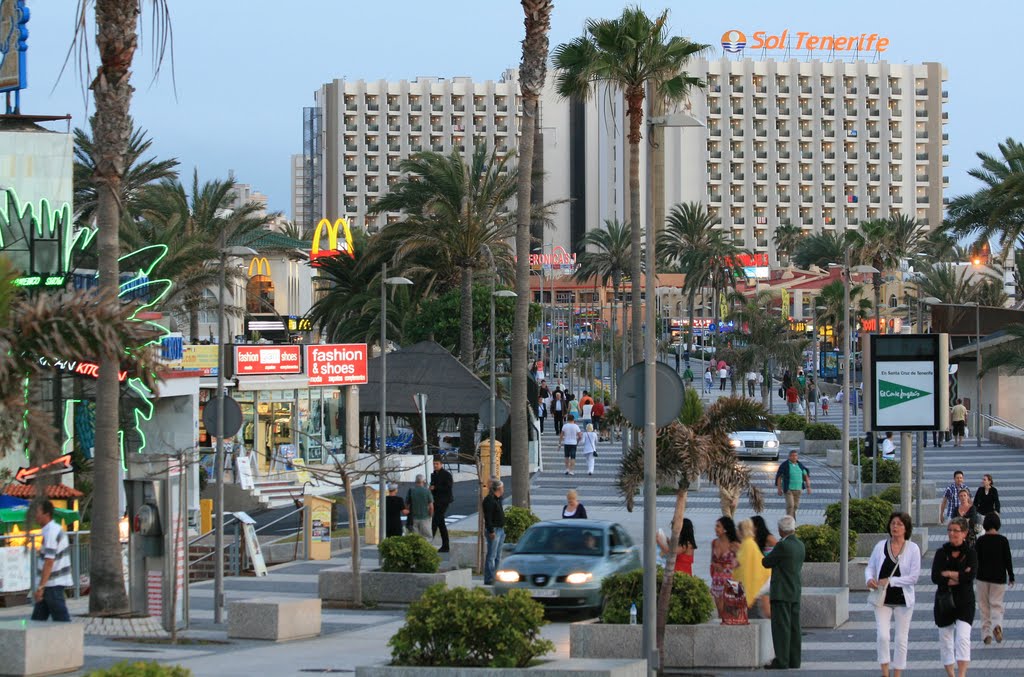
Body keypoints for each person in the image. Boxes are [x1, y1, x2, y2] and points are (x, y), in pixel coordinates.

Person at [866, 512, 922, 677]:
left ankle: (897, 673)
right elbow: (870, 567)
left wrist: (891, 581)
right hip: (882, 598)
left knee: (901, 639)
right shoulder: (880, 546)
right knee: (883, 635)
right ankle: (885, 672)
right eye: (893, 523)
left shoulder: (913, 549)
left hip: (903, 600)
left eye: (899, 524)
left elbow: (913, 577)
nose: (895, 527)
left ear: (906, 528)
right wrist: (869, 579)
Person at [932, 516, 977, 677]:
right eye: (949, 530)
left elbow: (970, 577)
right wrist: (958, 575)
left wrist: (949, 574)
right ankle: (951, 674)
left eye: (956, 531)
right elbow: (935, 577)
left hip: (965, 601)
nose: (952, 534)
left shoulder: (971, 553)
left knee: (963, 638)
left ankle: (962, 674)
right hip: (944, 601)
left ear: (964, 533)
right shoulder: (941, 553)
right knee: (945, 640)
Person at [762, 515, 805, 670]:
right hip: (795, 590)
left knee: (781, 627)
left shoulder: (782, 545)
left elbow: (766, 562)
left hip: (781, 592)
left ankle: (781, 660)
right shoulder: (800, 545)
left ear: (781, 530)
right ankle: (795, 660)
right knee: (794, 627)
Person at [975, 512, 1014, 645]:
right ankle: (997, 625)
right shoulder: (1003, 540)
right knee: (996, 604)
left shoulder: (980, 541)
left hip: (982, 577)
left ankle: (986, 634)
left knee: (984, 606)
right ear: (997, 525)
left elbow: (975, 560)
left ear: (985, 525)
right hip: (999, 578)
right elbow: (1008, 560)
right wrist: (1011, 576)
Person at [31, 500, 72, 622]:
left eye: (38, 512)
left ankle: (70, 639)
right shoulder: (51, 530)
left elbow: (49, 561)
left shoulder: (51, 532)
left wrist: (41, 587)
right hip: (50, 584)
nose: (35, 515)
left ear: (46, 514)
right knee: (38, 620)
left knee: (61, 620)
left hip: (52, 584)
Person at [735, 519, 772, 619]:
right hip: (760, 581)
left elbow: (743, 567)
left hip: (759, 583)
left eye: (738, 530)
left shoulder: (747, 544)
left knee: (759, 614)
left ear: (741, 531)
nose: (736, 532)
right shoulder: (749, 543)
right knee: (758, 613)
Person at [710, 516, 742, 617]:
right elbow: (712, 560)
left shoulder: (735, 545)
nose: (715, 528)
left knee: (733, 613)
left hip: (732, 581)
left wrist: (732, 564)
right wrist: (716, 565)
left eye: (718, 526)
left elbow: (742, 564)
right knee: (720, 613)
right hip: (717, 581)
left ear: (725, 529)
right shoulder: (714, 543)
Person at [482, 480, 506, 585]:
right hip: (494, 530)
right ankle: (489, 578)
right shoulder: (489, 500)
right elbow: (488, 518)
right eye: (502, 488)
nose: (503, 490)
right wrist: (491, 531)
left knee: (498, 555)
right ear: (499, 489)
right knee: (491, 555)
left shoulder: (498, 499)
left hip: (500, 529)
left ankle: (496, 576)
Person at [775, 450, 811, 518]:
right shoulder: (785, 465)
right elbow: (779, 477)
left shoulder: (800, 465)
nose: (794, 457)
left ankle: (791, 520)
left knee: (795, 506)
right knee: (790, 506)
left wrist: (808, 487)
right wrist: (779, 489)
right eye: (792, 456)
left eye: (796, 456)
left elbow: (806, 476)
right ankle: (789, 522)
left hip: (798, 489)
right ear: (789, 457)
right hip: (788, 489)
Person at [429, 456, 454, 552]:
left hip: (444, 501)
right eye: (434, 464)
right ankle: (446, 545)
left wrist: (435, 488)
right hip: (436, 501)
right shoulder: (434, 474)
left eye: (437, 464)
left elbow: (448, 487)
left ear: (441, 464)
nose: (435, 466)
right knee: (441, 523)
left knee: (435, 522)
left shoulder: (446, 474)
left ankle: (428, 543)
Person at [407, 474, 433, 540]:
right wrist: (430, 515)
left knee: (415, 539)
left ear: (415, 481)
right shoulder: (427, 491)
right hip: (425, 516)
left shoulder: (411, 491)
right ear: (423, 481)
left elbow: (407, 504)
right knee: (427, 537)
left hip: (414, 517)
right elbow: (431, 507)